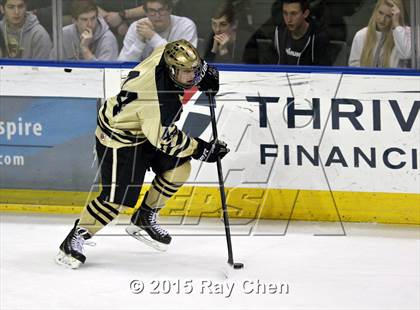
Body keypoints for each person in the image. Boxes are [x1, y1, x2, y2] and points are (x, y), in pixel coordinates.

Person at [56, 39, 228, 269]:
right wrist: (201, 149)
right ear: (172, 70)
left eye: (194, 70)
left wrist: (203, 70)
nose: (192, 76)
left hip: (143, 128)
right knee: (114, 202)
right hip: (119, 139)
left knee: (179, 169)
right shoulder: (159, 101)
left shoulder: (162, 55)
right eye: (187, 72)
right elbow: (166, 140)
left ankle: (145, 216)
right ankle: (75, 237)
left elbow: (177, 53)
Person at [118, 0, 197, 62]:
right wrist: (139, 42)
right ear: (146, 12)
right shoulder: (137, 27)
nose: (157, 15)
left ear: (170, 10)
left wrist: (153, 37)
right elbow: (120, 65)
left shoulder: (185, 26)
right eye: (152, 11)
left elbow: (186, 61)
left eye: (161, 10)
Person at [348, 0, 411, 68]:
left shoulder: (404, 34)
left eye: (389, 16)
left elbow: (406, 54)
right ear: (375, 11)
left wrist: (396, 24)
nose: (382, 19)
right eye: (380, 13)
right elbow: (354, 66)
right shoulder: (361, 35)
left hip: (393, 78)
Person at [274, 0, 331, 66]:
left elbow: (323, 72)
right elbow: (269, 65)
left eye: (294, 13)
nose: (288, 19)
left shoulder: (317, 37)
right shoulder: (279, 32)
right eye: (285, 13)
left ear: (305, 14)